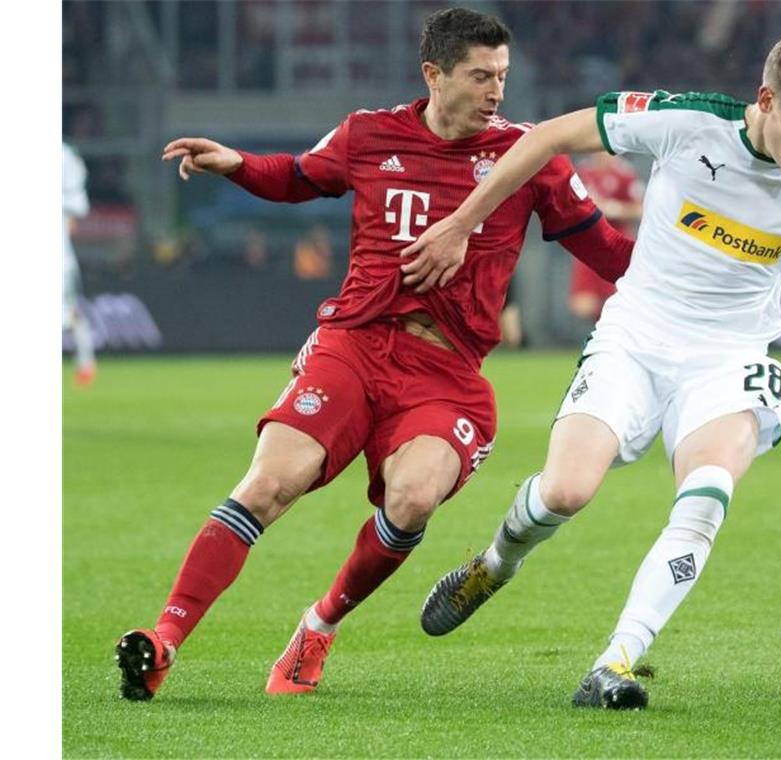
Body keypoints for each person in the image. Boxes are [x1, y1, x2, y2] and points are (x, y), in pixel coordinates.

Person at [407, 33, 781, 710]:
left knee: (705, 495)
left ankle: (615, 662)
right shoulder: (687, 124)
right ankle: (492, 567)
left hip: (731, 358)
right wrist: (461, 223)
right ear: (767, 100)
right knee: (566, 491)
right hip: (635, 337)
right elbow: (547, 139)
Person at [114, 7, 633, 702]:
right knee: (270, 483)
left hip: (446, 373)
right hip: (354, 345)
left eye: (502, 76)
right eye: (480, 76)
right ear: (435, 75)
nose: (495, 92)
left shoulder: (528, 154)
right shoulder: (370, 133)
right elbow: (300, 176)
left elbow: (604, 249)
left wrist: (704, 264)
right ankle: (164, 641)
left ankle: (319, 625)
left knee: (413, 498)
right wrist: (236, 164)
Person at [568, 152, 643, 320]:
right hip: (588, 245)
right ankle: (601, 331)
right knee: (583, 305)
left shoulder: (624, 172)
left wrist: (613, 209)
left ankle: (610, 335)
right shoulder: (582, 171)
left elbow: (639, 209)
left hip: (616, 243)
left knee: (619, 300)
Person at [63, 141, 97, 387]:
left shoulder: (64, 156)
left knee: (69, 311)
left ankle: (86, 364)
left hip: (58, 256)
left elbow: (77, 206)